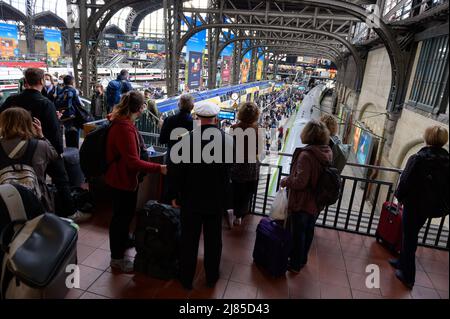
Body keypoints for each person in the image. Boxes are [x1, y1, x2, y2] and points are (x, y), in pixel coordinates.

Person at [0, 68, 89, 223]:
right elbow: (54, 131)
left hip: (10, 147)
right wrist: (58, 151)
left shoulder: (11, 100)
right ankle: (69, 212)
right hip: (38, 148)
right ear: (41, 81)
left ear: (25, 81)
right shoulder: (45, 103)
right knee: (61, 179)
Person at [172, 101, 234, 290]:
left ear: (197, 118)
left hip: (190, 199)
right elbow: (230, 172)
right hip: (215, 199)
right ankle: (212, 276)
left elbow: (177, 172)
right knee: (214, 239)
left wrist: (175, 195)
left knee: (188, 240)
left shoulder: (185, 140)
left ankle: (185, 277)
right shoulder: (229, 141)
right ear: (216, 119)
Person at [105, 91, 167, 273]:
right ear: (139, 109)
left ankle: (123, 241)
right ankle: (116, 258)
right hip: (121, 181)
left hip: (122, 179)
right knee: (120, 219)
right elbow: (132, 161)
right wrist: (159, 168)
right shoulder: (124, 128)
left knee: (124, 216)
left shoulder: (122, 122)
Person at [389, 126, 449, 289]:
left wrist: (399, 197)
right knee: (410, 234)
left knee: (409, 238)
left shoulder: (418, 158)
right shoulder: (446, 162)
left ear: (427, 138)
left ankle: (408, 276)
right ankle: (401, 262)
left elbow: (406, 180)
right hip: (430, 206)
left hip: (414, 204)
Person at [280, 120, 332, 273]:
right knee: (308, 231)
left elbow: (300, 182)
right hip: (316, 200)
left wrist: (286, 181)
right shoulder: (327, 151)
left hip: (302, 201)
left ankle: (295, 264)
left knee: (298, 233)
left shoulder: (306, 155)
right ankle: (302, 260)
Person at [0, 108, 58, 211]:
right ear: (28, 123)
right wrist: (41, 136)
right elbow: (54, 156)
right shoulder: (40, 145)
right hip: (38, 199)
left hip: (5, 202)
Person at [228, 102, 260, 228]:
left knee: (236, 190)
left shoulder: (234, 128)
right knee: (247, 193)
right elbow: (258, 150)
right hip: (251, 167)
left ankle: (234, 211)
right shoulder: (257, 130)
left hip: (237, 165)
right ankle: (240, 215)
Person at [159, 94, 194, 202]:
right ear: (192, 107)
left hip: (172, 158)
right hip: (189, 159)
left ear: (178, 105)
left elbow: (162, 140)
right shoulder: (195, 123)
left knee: (171, 185)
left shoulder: (169, 119)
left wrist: (163, 127)